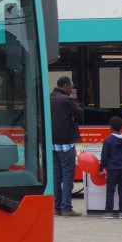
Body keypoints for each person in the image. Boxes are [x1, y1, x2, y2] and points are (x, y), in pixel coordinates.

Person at [50, 76, 83, 216]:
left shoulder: (49, 98)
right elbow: (80, 115)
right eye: (71, 86)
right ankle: (66, 208)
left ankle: (56, 207)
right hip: (66, 144)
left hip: (51, 143)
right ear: (65, 86)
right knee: (68, 175)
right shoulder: (66, 100)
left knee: (56, 175)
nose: (72, 89)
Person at [99, 115, 122, 218]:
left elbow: (104, 156)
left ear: (110, 127)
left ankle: (109, 212)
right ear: (121, 127)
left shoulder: (108, 141)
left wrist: (101, 168)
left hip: (112, 168)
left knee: (110, 191)